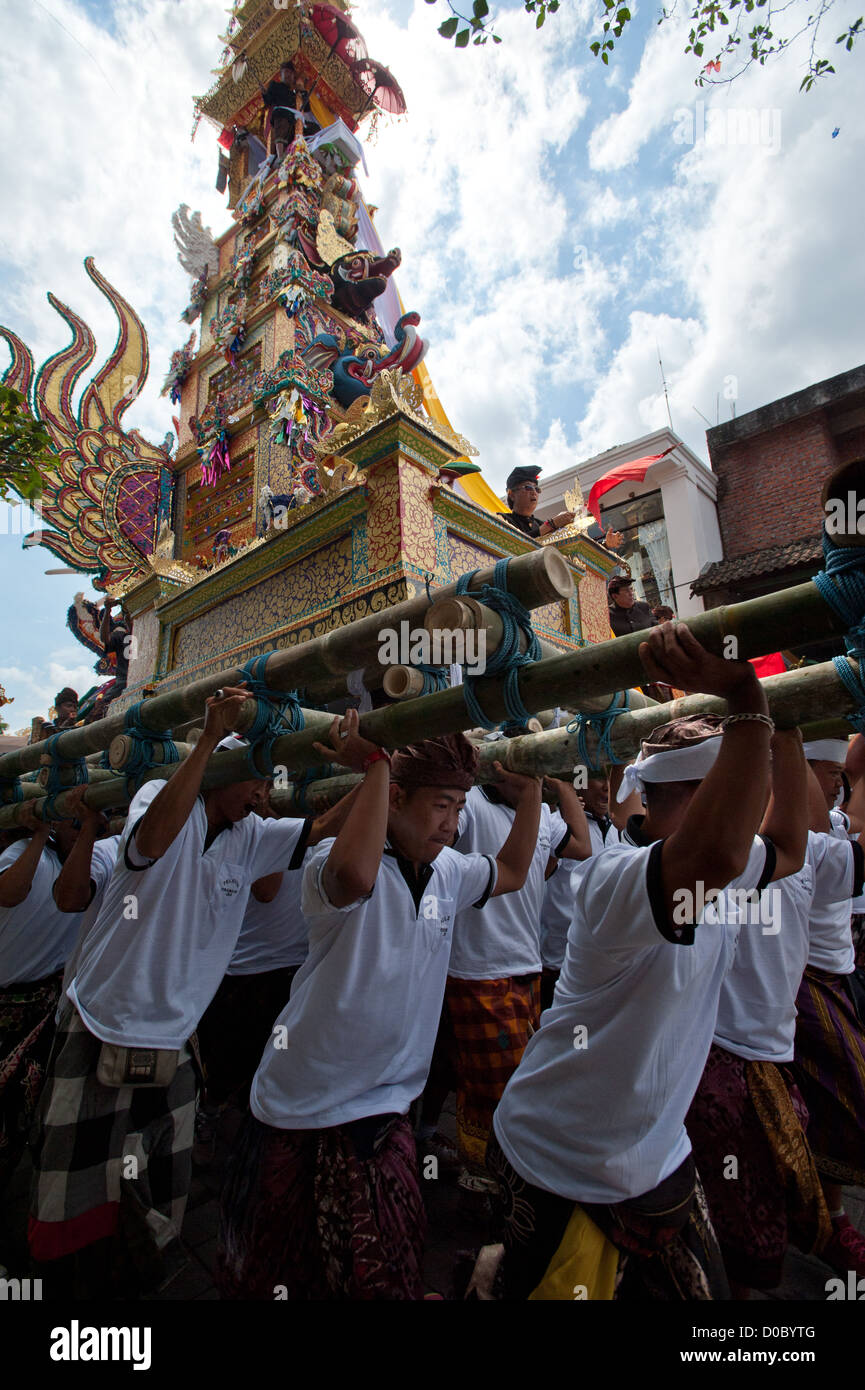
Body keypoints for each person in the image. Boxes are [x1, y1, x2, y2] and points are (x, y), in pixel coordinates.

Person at [488, 621, 805, 1300]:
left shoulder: (717, 863)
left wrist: (784, 721)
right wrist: (747, 700)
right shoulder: (617, 880)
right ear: (692, 799)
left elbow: (789, 846)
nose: (754, 808)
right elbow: (718, 851)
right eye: (740, 794)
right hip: (561, 1154)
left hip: (655, 1155)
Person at [216, 719, 543, 1300]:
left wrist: (534, 790)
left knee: (388, 1265)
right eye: (441, 805)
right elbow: (355, 875)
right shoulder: (325, 861)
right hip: (303, 1102)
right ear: (394, 798)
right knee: (287, 1275)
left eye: (460, 806)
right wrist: (374, 767)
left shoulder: (450, 872)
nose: (453, 823)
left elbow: (514, 871)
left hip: (387, 1105)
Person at [28, 691, 335, 1296]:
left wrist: (376, 767)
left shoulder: (249, 835)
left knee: (158, 1183)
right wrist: (205, 740)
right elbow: (152, 842)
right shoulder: (160, 801)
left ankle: (129, 1282)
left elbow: (320, 829)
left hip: (173, 1037)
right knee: (72, 1194)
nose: (263, 795)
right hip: (100, 1023)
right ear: (220, 773)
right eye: (253, 780)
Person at [684, 730, 832, 1297]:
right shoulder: (710, 857)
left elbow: (802, 833)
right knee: (715, 1212)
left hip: (770, 1055)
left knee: (754, 1210)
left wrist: (788, 730)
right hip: (714, 1051)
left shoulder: (807, 852)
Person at [446, 774, 590, 1187]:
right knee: (502, 1092)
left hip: (528, 965)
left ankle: (491, 1184)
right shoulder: (469, 803)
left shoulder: (541, 811)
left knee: (511, 1084)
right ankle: (495, 1185)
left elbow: (582, 845)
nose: (527, 776)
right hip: (478, 968)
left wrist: (556, 784)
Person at [790, 740, 865, 1276]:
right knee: (850, 1098)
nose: (840, 783)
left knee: (823, 1109)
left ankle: (827, 1216)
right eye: (829, 773)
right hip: (803, 978)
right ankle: (827, 1219)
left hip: (839, 973)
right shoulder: (806, 835)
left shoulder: (837, 821)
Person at [0, 806, 84, 1191]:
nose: (82, 829)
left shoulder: (90, 869)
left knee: (17, 1114)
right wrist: (39, 834)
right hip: (5, 1001)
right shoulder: (26, 853)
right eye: (74, 820)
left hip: (40, 1010)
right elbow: (9, 892)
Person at [496, 467, 574, 540]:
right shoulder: (502, 519)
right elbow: (514, 543)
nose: (534, 492)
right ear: (512, 495)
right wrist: (549, 526)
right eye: (528, 487)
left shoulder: (540, 524)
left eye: (537, 489)